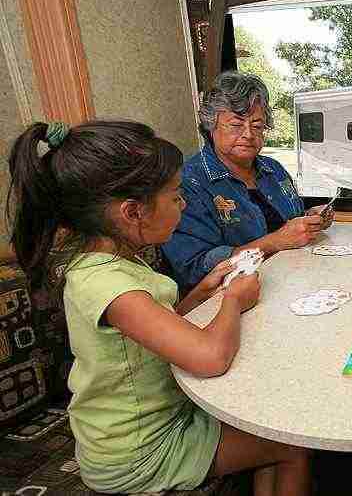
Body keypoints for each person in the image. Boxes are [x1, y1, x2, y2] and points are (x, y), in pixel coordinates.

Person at [7, 121, 311, 495]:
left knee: (267, 420)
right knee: (291, 446)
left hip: (159, 417)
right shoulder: (108, 283)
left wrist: (202, 291)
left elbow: (155, 329)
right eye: (175, 196)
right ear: (133, 212)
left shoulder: (113, 260)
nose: (183, 204)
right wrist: (234, 299)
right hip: (136, 451)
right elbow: (211, 357)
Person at [162, 71, 332, 291]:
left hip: (291, 280)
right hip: (231, 296)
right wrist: (275, 241)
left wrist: (309, 220)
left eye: (257, 125)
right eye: (236, 124)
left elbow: (291, 222)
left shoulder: (274, 169)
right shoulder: (188, 183)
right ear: (211, 126)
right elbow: (195, 267)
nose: (249, 134)